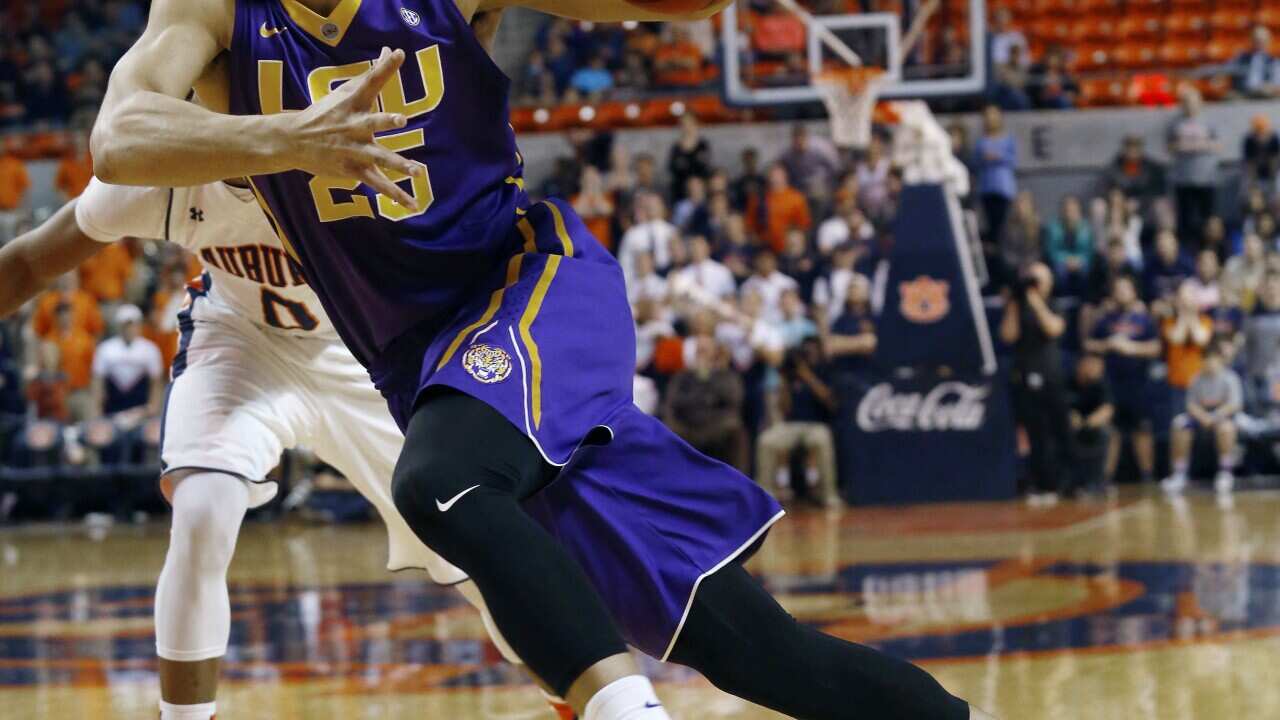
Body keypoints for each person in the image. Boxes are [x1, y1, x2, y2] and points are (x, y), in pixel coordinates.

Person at [91, 1, 985, 719]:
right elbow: (117, 136)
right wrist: (286, 137)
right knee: (756, 652)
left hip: (527, 284)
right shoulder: (210, 14)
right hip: (425, 366)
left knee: (437, 483)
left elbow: (669, 9)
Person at [0, 174, 560, 718]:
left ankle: (579, 697)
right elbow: (28, 261)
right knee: (202, 509)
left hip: (366, 351)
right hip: (242, 341)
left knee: (478, 551)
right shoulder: (164, 169)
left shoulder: (355, 159)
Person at [1000, 263, 1071, 504]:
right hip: (1024, 375)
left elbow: (1053, 329)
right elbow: (1008, 336)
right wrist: (1013, 303)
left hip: (1050, 376)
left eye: (1039, 279)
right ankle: (1040, 484)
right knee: (1034, 433)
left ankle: (1067, 482)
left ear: (1049, 282)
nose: (1034, 284)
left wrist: (1035, 300)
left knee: (1058, 430)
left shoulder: (1055, 304)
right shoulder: (1017, 306)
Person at [1085, 275, 1162, 485]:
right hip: (1112, 383)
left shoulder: (1144, 319)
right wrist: (1108, 344)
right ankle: (1106, 478)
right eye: (1117, 289)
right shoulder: (1105, 320)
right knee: (1113, 431)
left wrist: (1132, 348)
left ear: (1134, 292)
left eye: (1125, 289)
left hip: (1139, 383)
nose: (1121, 293)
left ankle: (1147, 476)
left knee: (1142, 430)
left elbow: (1157, 348)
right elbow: (1089, 344)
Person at [757, 336, 840, 507]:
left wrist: (807, 375)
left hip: (816, 424)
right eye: (806, 349)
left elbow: (829, 400)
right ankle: (765, 495)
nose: (809, 352)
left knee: (822, 440)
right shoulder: (790, 374)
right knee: (766, 441)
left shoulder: (824, 370)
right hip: (791, 426)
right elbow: (783, 409)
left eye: (812, 348)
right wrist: (785, 381)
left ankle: (828, 494)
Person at [1163, 342, 1243, 496]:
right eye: (1205, 359)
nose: (1208, 363)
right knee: (1179, 426)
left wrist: (1215, 416)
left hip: (1223, 417)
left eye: (1211, 359)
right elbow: (1191, 405)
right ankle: (1179, 474)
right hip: (1200, 418)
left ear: (1220, 359)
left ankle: (1225, 472)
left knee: (1226, 428)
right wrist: (1203, 417)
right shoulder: (1196, 379)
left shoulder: (1230, 378)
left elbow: (1234, 405)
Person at [661, 336, 748, 472]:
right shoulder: (683, 376)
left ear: (714, 354)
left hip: (716, 426)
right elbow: (675, 401)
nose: (702, 356)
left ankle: (734, 483)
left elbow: (732, 399)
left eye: (705, 351)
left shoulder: (725, 375)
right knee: (667, 430)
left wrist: (706, 380)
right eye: (699, 351)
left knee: (734, 431)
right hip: (687, 426)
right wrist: (706, 395)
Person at [1166, 87, 1221, 242]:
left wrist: (1194, 145)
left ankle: (1210, 248)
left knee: (1208, 218)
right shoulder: (1175, 124)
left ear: (1200, 103)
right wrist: (1190, 146)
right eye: (1187, 102)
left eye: (1193, 102)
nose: (1190, 106)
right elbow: (1170, 146)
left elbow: (1218, 145)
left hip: (1206, 177)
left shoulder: (1209, 122)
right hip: (1183, 178)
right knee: (1185, 218)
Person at [91, 304, 164, 418]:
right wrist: (97, 409)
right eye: (126, 325)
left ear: (139, 325)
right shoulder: (105, 349)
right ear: (120, 326)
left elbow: (155, 382)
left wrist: (153, 408)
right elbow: (98, 381)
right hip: (112, 408)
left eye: (133, 325)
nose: (129, 329)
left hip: (141, 410)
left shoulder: (150, 349)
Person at [1067, 353, 1114, 495]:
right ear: (1081, 365)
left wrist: (1087, 423)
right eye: (1092, 364)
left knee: (1107, 433)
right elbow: (1059, 407)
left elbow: (1107, 409)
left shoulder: (1101, 384)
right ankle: (1069, 482)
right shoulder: (1066, 381)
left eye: (1099, 366)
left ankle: (1100, 480)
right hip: (1067, 428)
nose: (1096, 369)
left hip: (1090, 426)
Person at [973, 104, 1017, 244]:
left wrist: (998, 156)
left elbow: (1013, 160)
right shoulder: (981, 142)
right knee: (989, 225)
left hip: (1003, 188)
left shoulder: (1008, 139)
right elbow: (975, 163)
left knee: (1003, 226)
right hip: (986, 187)